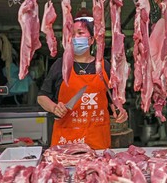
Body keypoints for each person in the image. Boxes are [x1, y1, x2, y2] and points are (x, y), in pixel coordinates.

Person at [37, 16, 126, 150]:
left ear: (91, 39)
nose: (75, 38)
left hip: (97, 143)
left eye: (80, 33)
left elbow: (113, 100)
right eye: (72, 34)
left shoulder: (104, 65)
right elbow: (41, 97)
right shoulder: (61, 65)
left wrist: (120, 111)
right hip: (66, 143)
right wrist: (54, 107)